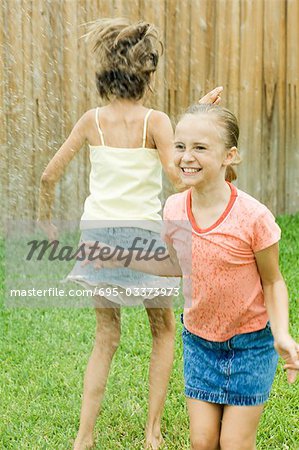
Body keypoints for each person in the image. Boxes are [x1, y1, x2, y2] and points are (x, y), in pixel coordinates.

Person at [37, 18, 222, 450]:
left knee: (107, 337)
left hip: (98, 240)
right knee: (161, 331)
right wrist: (198, 115)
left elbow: (49, 176)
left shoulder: (92, 121)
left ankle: (84, 437)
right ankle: (152, 433)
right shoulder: (154, 122)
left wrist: (47, 221)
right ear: (147, 76)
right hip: (143, 242)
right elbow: (180, 178)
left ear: (108, 74)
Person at [88, 103, 299, 450]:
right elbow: (175, 263)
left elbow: (273, 282)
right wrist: (117, 256)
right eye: (180, 146)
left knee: (233, 443)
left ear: (229, 156)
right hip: (200, 343)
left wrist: (282, 333)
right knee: (202, 442)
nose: (186, 156)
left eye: (200, 148)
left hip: (250, 346)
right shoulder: (174, 209)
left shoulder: (253, 218)